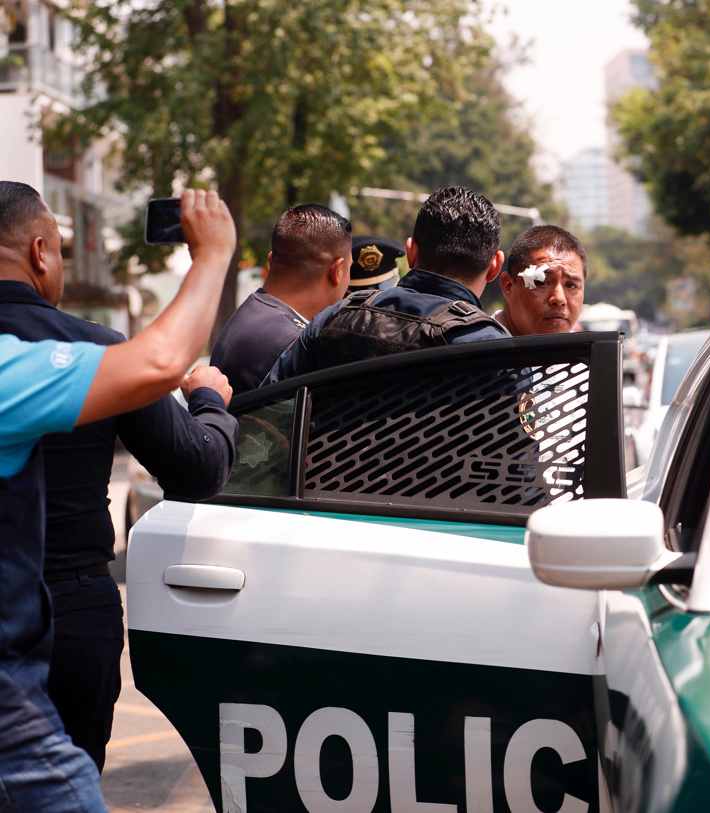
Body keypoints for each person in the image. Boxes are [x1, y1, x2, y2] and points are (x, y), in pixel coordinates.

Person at [0, 185, 235, 812]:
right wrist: (209, 400)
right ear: (42, 252)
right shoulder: (90, 350)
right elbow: (197, 466)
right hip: (71, 616)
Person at [264, 186, 508, 383]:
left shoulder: (333, 317)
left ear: (411, 252)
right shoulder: (495, 350)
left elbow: (272, 411)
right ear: (495, 266)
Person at [210, 204, 351, 394]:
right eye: (350, 268)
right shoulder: (297, 343)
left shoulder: (253, 314)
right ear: (336, 271)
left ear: (271, 260)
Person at [495, 225, 586, 336]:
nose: (559, 299)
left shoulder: (585, 350)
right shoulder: (477, 347)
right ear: (508, 286)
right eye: (542, 283)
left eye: (571, 285)